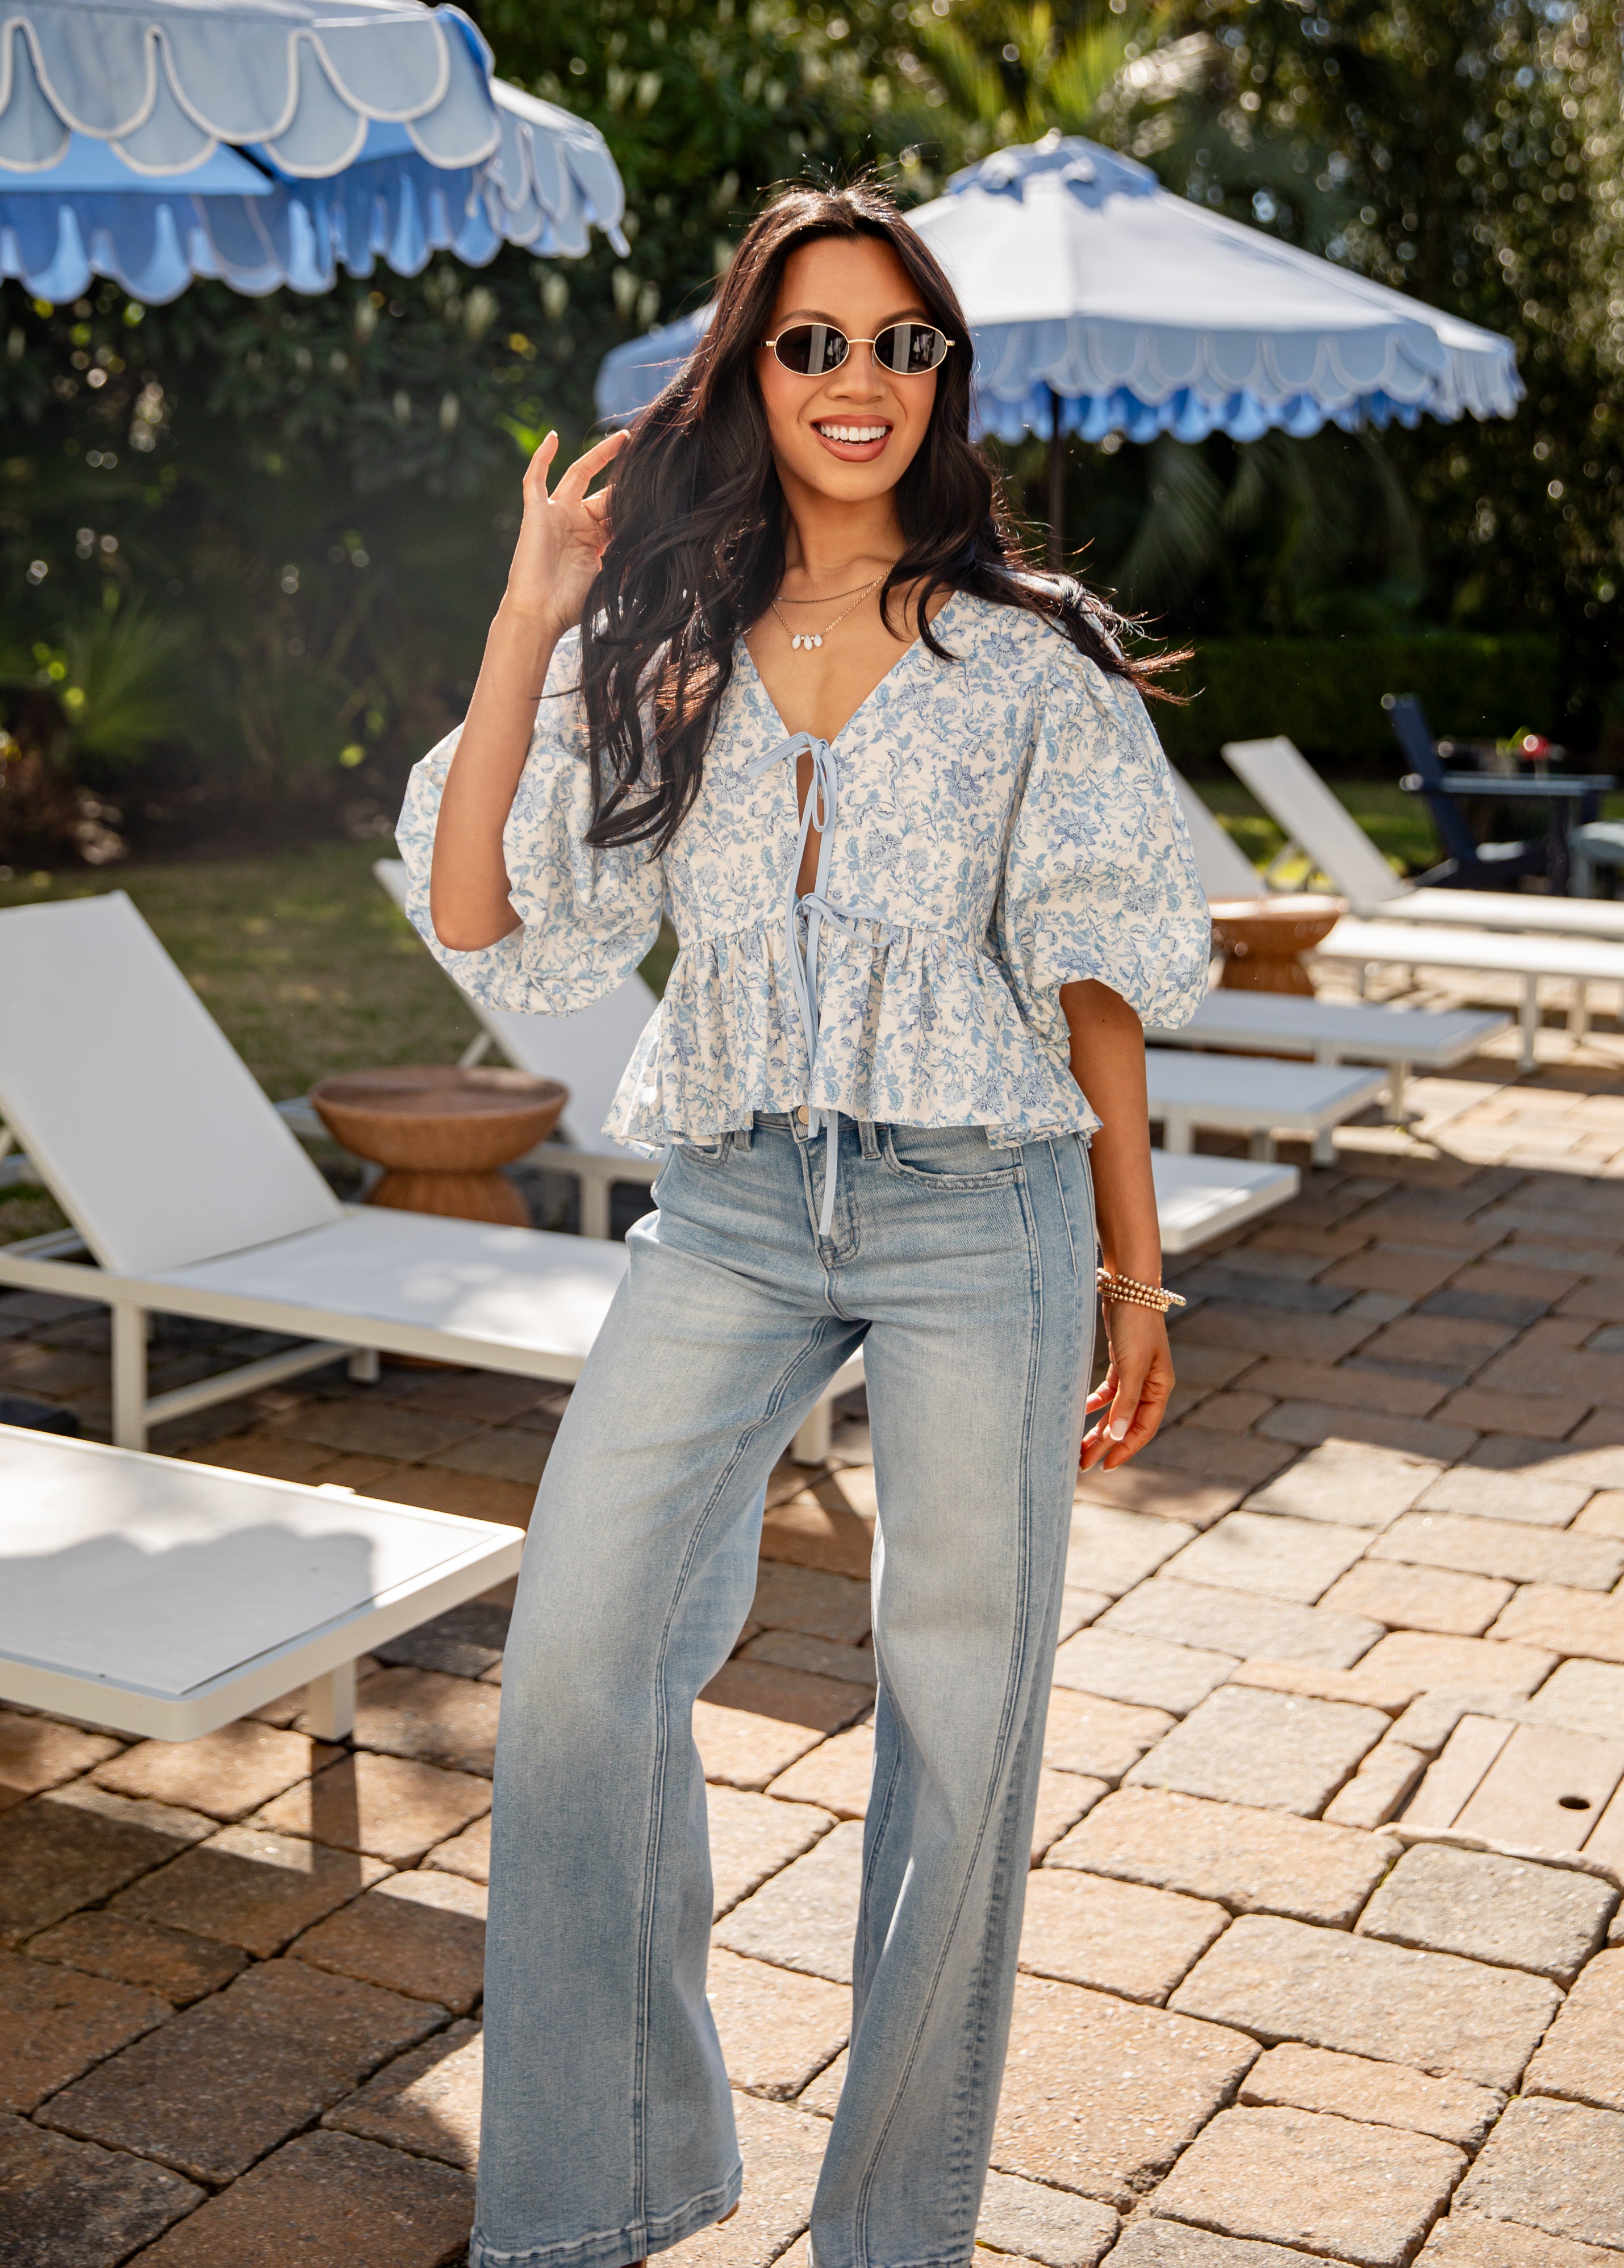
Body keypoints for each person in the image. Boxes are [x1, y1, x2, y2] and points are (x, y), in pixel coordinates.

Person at [398, 177, 1209, 2268]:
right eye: (813, 340)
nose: (860, 380)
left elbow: (1094, 983)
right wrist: (528, 615)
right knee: (578, 1663)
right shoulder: (666, 646)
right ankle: (595, 2195)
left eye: (900, 343)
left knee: (959, 1731)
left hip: (981, 1205)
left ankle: (891, 2240)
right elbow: (483, 912)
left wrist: (1133, 1271)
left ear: (943, 380)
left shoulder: (1028, 659)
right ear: (750, 373)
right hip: (736, 1202)